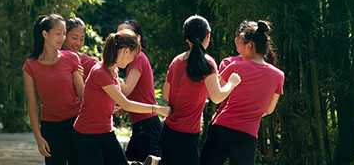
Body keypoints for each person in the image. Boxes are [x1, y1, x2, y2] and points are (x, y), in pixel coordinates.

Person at [74, 29, 171, 165]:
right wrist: (157, 109)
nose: (132, 60)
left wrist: (115, 109)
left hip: (105, 130)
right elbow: (126, 103)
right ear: (126, 51)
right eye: (133, 55)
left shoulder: (114, 70)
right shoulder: (100, 72)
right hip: (88, 133)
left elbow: (109, 99)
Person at [200, 20, 284, 165]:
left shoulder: (235, 66)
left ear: (249, 45)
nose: (237, 46)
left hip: (222, 129)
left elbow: (217, 93)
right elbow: (269, 109)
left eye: (239, 42)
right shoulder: (279, 76)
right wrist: (250, 115)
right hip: (248, 135)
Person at [161, 15, 242, 165]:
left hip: (168, 130)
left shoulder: (176, 61)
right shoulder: (208, 63)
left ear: (186, 39)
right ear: (208, 35)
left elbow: (167, 94)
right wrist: (232, 83)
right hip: (187, 134)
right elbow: (216, 97)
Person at [23, 13, 85, 165]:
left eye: (64, 34)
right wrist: (38, 137)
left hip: (75, 123)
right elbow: (32, 105)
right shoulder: (30, 66)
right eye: (58, 33)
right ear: (45, 34)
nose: (62, 38)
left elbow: (82, 94)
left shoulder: (71, 58)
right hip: (50, 127)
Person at [116, 19, 163, 162]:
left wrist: (105, 76)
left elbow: (127, 89)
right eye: (118, 36)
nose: (118, 40)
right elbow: (137, 93)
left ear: (137, 38)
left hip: (147, 124)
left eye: (124, 35)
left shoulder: (138, 58)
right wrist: (124, 109)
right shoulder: (134, 59)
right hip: (141, 124)